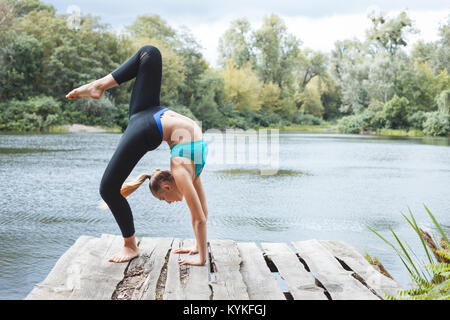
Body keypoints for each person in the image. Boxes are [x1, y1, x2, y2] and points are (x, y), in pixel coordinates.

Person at [66, 45, 209, 266]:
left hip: (151, 112)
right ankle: (130, 245)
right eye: (164, 199)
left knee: (150, 53)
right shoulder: (183, 172)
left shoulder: (187, 171)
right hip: (147, 124)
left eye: (162, 199)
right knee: (108, 189)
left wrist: (199, 251)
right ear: (168, 186)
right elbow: (200, 216)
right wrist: (201, 256)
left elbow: (201, 215)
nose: (167, 203)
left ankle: (99, 86)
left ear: (168, 186)